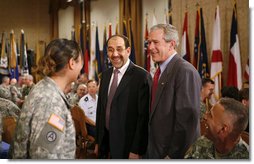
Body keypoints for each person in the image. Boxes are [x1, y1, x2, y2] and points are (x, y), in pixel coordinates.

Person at [11, 39, 83, 159]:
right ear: (72, 63)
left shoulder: (45, 89)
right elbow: (44, 156)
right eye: (81, 62)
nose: (81, 67)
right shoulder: (50, 101)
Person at [146, 24, 201, 159]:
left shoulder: (184, 71)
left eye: (156, 42)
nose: (150, 47)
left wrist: (172, 155)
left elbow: (186, 121)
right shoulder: (160, 71)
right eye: (149, 42)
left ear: (171, 44)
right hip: (156, 149)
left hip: (172, 154)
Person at [95, 34, 152, 159]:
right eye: (110, 50)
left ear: (128, 51)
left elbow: (143, 118)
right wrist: (98, 141)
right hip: (106, 143)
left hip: (128, 145)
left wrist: (136, 150)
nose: (115, 54)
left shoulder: (142, 77)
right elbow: (101, 109)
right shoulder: (105, 75)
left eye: (119, 49)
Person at [184, 97, 249, 159]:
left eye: (210, 115)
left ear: (223, 129)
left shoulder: (246, 157)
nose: (205, 117)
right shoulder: (202, 143)